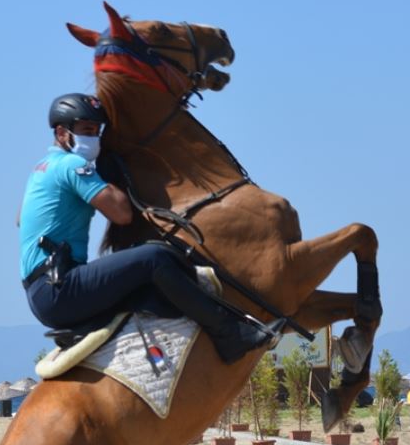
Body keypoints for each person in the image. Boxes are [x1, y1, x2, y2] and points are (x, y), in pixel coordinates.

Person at [18, 92, 280, 363]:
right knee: (155, 258)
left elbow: (20, 219)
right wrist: (108, 177)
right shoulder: (72, 165)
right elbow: (121, 214)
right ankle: (230, 334)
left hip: (45, 291)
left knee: (147, 276)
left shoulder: (42, 168)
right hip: (60, 289)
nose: (94, 138)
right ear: (62, 133)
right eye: (86, 130)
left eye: (97, 131)